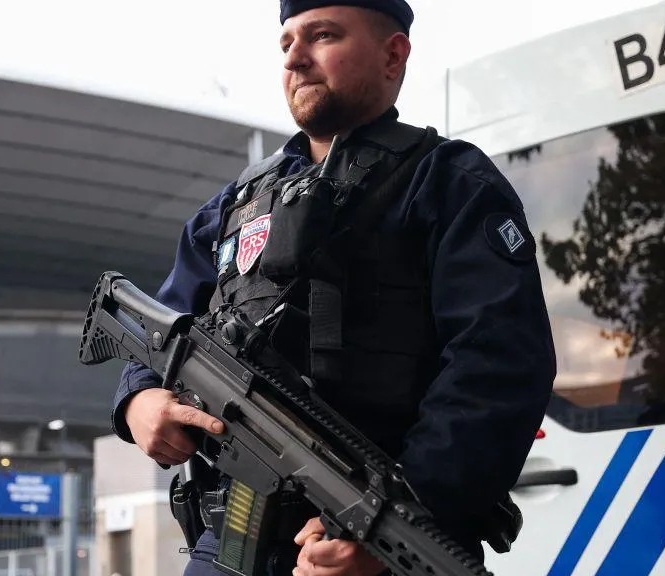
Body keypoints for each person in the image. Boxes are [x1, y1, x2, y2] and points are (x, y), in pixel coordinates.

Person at [110, 1, 557, 574]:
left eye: (322, 36)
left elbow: (498, 367)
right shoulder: (238, 203)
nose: (295, 57)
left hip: (384, 538)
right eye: (286, 42)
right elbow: (163, 321)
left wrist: (403, 523)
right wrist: (139, 400)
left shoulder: (450, 184)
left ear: (394, 55)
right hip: (230, 541)